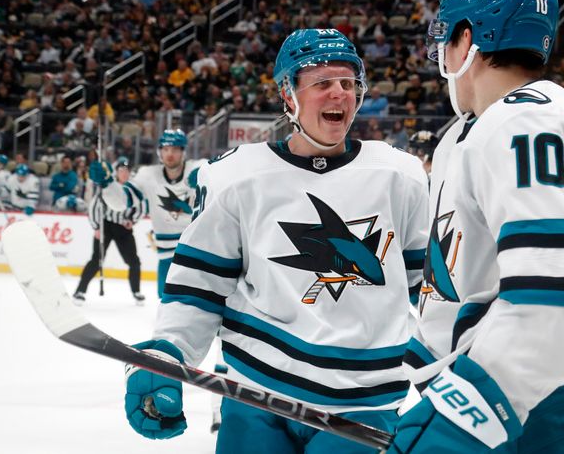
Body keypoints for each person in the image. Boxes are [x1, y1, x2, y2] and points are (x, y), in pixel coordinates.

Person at [119, 28, 429, 453]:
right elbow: (200, 287)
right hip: (258, 398)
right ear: (288, 95)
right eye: (322, 83)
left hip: (365, 404)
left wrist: (452, 386)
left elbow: (430, 293)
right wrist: (169, 351)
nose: (340, 93)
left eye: (348, 82)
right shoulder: (235, 175)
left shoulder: (402, 174)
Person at [391, 0, 564, 454]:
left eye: (446, 40)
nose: (441, 56)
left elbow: (556, 301)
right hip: (502, 392)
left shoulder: (532, 121)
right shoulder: (468, 136)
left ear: (468, 41)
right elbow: (455, 290)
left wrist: (463, 413)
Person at [91, 129, 205, 298]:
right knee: (166, 301)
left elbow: (225, 174)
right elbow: (122, 201)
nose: (170, 154)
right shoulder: (148, 175)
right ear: (160, 152)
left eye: (175, 149)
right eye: (166, 149)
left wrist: (210, 176)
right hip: (167, 255)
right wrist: (107, 184)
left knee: (201, 304)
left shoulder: (200, 167)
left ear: (183, 152)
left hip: (199, 250)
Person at [73, 158, 144, 305]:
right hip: (105, 226)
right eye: (121, 171)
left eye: (127, 171)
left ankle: (136, 291)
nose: (124, 173)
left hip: (123, 228)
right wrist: (96, 227)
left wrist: (133, 220)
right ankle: (80, 290)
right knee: (96, 260)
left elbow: (141, 207)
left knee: (134, 261)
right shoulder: (108, 186)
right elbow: (94, 206)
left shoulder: (133, 188)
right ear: (116, 172)